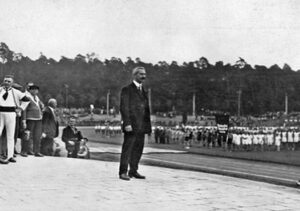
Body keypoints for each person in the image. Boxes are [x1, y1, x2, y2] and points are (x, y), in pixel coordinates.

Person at [119, 66, 152, 181]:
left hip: (142, 126)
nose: (144, 76)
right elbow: (124, 107)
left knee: (138, 148)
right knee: (128, 149)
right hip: (131, 125)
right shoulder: (127, 90)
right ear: (135, 75)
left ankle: (133, 170)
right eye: (141, 74)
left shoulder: (144, 90)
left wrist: (148, 127)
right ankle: (123, 172)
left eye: (144, 74)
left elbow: (146, 110)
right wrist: (127, 123)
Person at [0, 75, 29, 164]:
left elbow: (26, 100)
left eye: (9, 81)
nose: (7, 83)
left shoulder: (16, 92)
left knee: (10, 136)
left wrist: (20, 108)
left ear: (12, 83)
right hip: (0, 113)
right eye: (5, 81)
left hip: (11, 114)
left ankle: (10, 156)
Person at [21, 83, 44, 157]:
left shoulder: (37, 98)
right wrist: (24, 120)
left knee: (37, 136)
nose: (35, 91)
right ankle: (24, 151)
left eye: (36, 90)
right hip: (30, 119)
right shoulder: (27, 97)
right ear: (30, 90)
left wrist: (41, 105)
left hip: (38, 119)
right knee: (27, 135)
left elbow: (39, 105)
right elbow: (24, 109)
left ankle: (36, 151)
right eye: (33, 89)